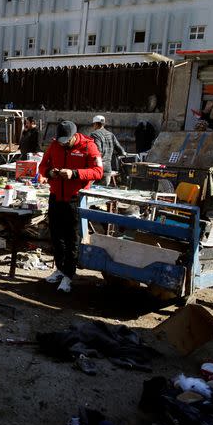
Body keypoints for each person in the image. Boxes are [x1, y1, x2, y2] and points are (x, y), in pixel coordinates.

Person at [39, 121, 103, 293]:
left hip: (75, 199)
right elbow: (43, 165)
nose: (63, 143)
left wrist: (74, 174)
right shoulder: (54, 145)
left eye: (66, 141)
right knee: (56, 236)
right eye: (60, 141)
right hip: (55, 197)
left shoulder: (89, 147)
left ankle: (69, 275)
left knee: (72, 238)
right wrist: (49, 172)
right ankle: (59, 269)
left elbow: (98, 171)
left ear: (75, 136)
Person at [90, 115, 126, 186]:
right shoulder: (111, 135)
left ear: (96, 124)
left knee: (91, 191)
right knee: (103, 193)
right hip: (107, 170)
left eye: (93, 124)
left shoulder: (94, 134)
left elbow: (97, 151)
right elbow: (121, 151)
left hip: (97, 168)